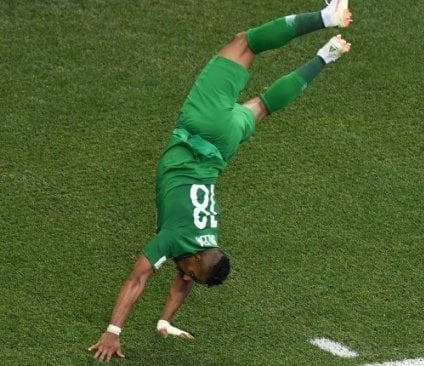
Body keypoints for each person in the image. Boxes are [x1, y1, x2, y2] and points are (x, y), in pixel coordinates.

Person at [88, 1, 352, 362]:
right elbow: (137, 279)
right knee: (245, 42)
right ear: (197, 259)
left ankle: (327, 54)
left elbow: (184, 278)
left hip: (224, 145)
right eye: (194, 275)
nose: (187, 278)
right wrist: (112, 332)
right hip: (203, 128)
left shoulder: (204, 242)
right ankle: (327, 18)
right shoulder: (177, 240)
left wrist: (165, 322)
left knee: (263, 105)